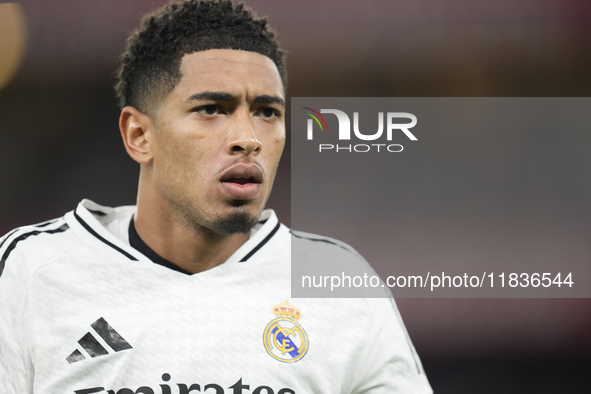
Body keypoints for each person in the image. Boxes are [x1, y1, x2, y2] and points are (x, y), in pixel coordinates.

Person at [0, 1, 432, 393]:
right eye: (212, 109)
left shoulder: (339, 282)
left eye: (267, 112)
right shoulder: (32, 270)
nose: (248, 138)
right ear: (139, 135)